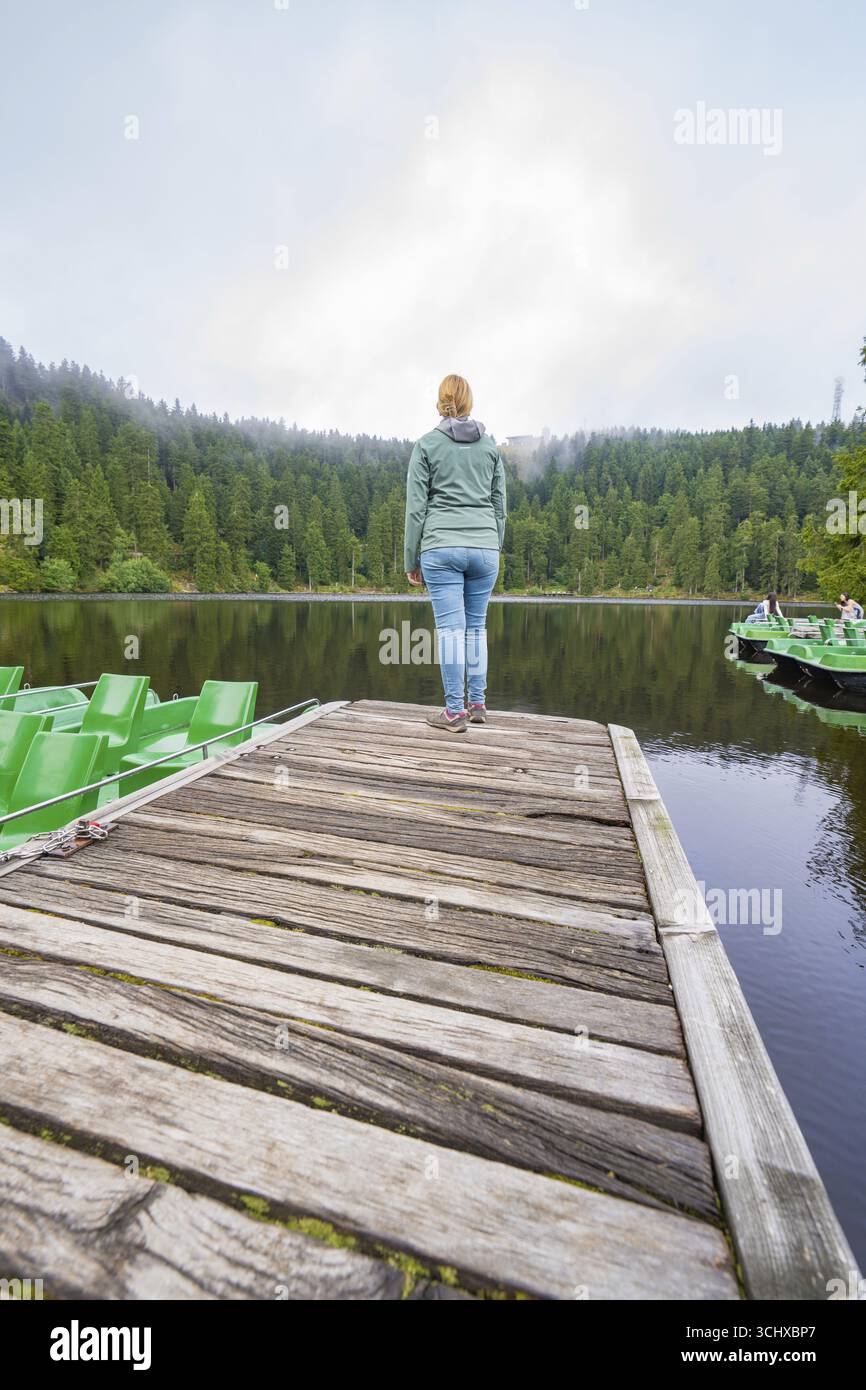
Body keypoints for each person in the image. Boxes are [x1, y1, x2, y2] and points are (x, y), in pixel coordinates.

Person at [404, 373, 506, 732]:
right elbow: (499, 506)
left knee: (450, 630)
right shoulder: (490, 446)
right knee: (475, 628)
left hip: (440, 547)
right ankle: (477, 704)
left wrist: (410, 558)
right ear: (469, 402)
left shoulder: (427, 445)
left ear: (440, 401)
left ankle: (453, 711)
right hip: (484, 547)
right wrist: (494, 544)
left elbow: (416, 507)